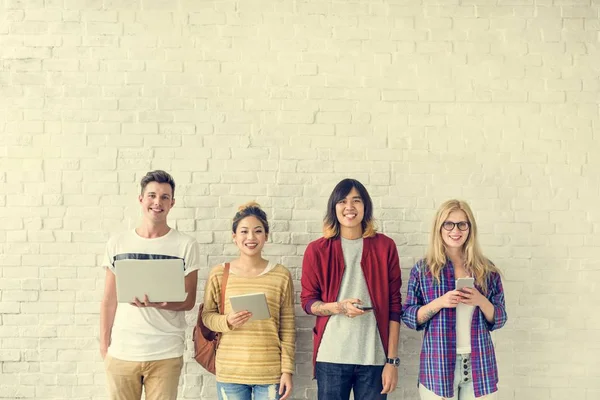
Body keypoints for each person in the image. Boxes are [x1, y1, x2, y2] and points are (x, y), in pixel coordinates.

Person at [99, 170, 200, 400]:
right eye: (152, 195)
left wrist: (163, 302)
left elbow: (189, 300)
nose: (158, 202)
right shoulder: (118, 243)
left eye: (165, 197)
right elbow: (108, 300)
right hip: (123, 352)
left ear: (172, 203)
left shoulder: (186, 245)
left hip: (165, 353)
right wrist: (105, 347)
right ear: (141, 199)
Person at [300, 178, 403, 400]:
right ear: (333, 207)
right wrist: (338, 307)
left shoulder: (385, 247)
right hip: (331, 356)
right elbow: (308, 303)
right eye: (343, 201)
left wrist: (392, 361)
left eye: (356, 200)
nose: (349, 207)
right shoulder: (317, 250)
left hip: (374, 357)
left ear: (365, 207)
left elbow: (395, 307)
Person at [402, 199, 507, 400]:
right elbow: (408, 317)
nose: (455, 230)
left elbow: (500, 318)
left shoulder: (487, 270)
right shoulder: (424, 270)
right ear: (439, 228)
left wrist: (481, 300)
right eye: (448, 224)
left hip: (480, 366)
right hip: (438, 367)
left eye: (462, 224)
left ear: (470, 228)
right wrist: (439, 303)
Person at [202, 202, 295, 400]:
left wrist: (287, 370)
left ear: (266, 236)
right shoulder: (219, 273)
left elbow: (288, 328)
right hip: (230, 371)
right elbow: (207, 316)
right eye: (244, 231)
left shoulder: (281, 275)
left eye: (258, 231)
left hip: (270, 372)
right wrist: (227, 321)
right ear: (234, 237)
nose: (251, 237)